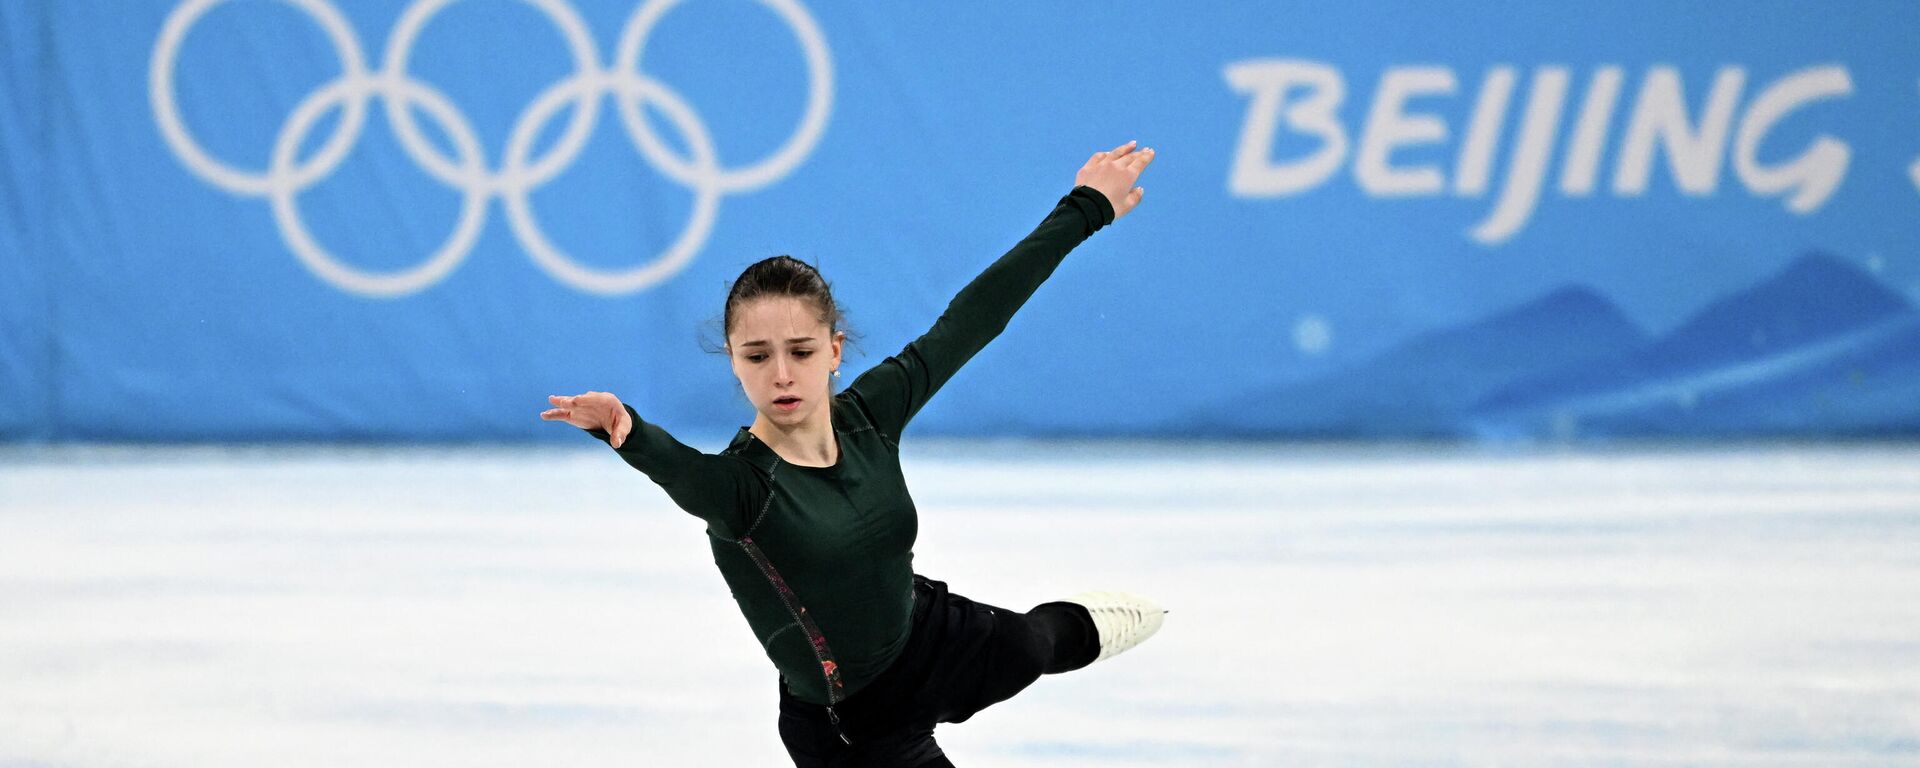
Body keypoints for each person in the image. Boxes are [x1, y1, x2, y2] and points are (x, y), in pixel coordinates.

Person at [541, 140, 1164, 767]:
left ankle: (1099, 623)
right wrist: (626, 430)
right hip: (858, 725)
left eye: (802, 351)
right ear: (734, 360)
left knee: (1032, 644)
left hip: (926, 632)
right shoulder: (742, 491)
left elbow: (974, 318)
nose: (781, 374)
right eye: (757, 356)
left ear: (834, 350)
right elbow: (680, 470)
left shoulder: (871, 415)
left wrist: (1085, 208)